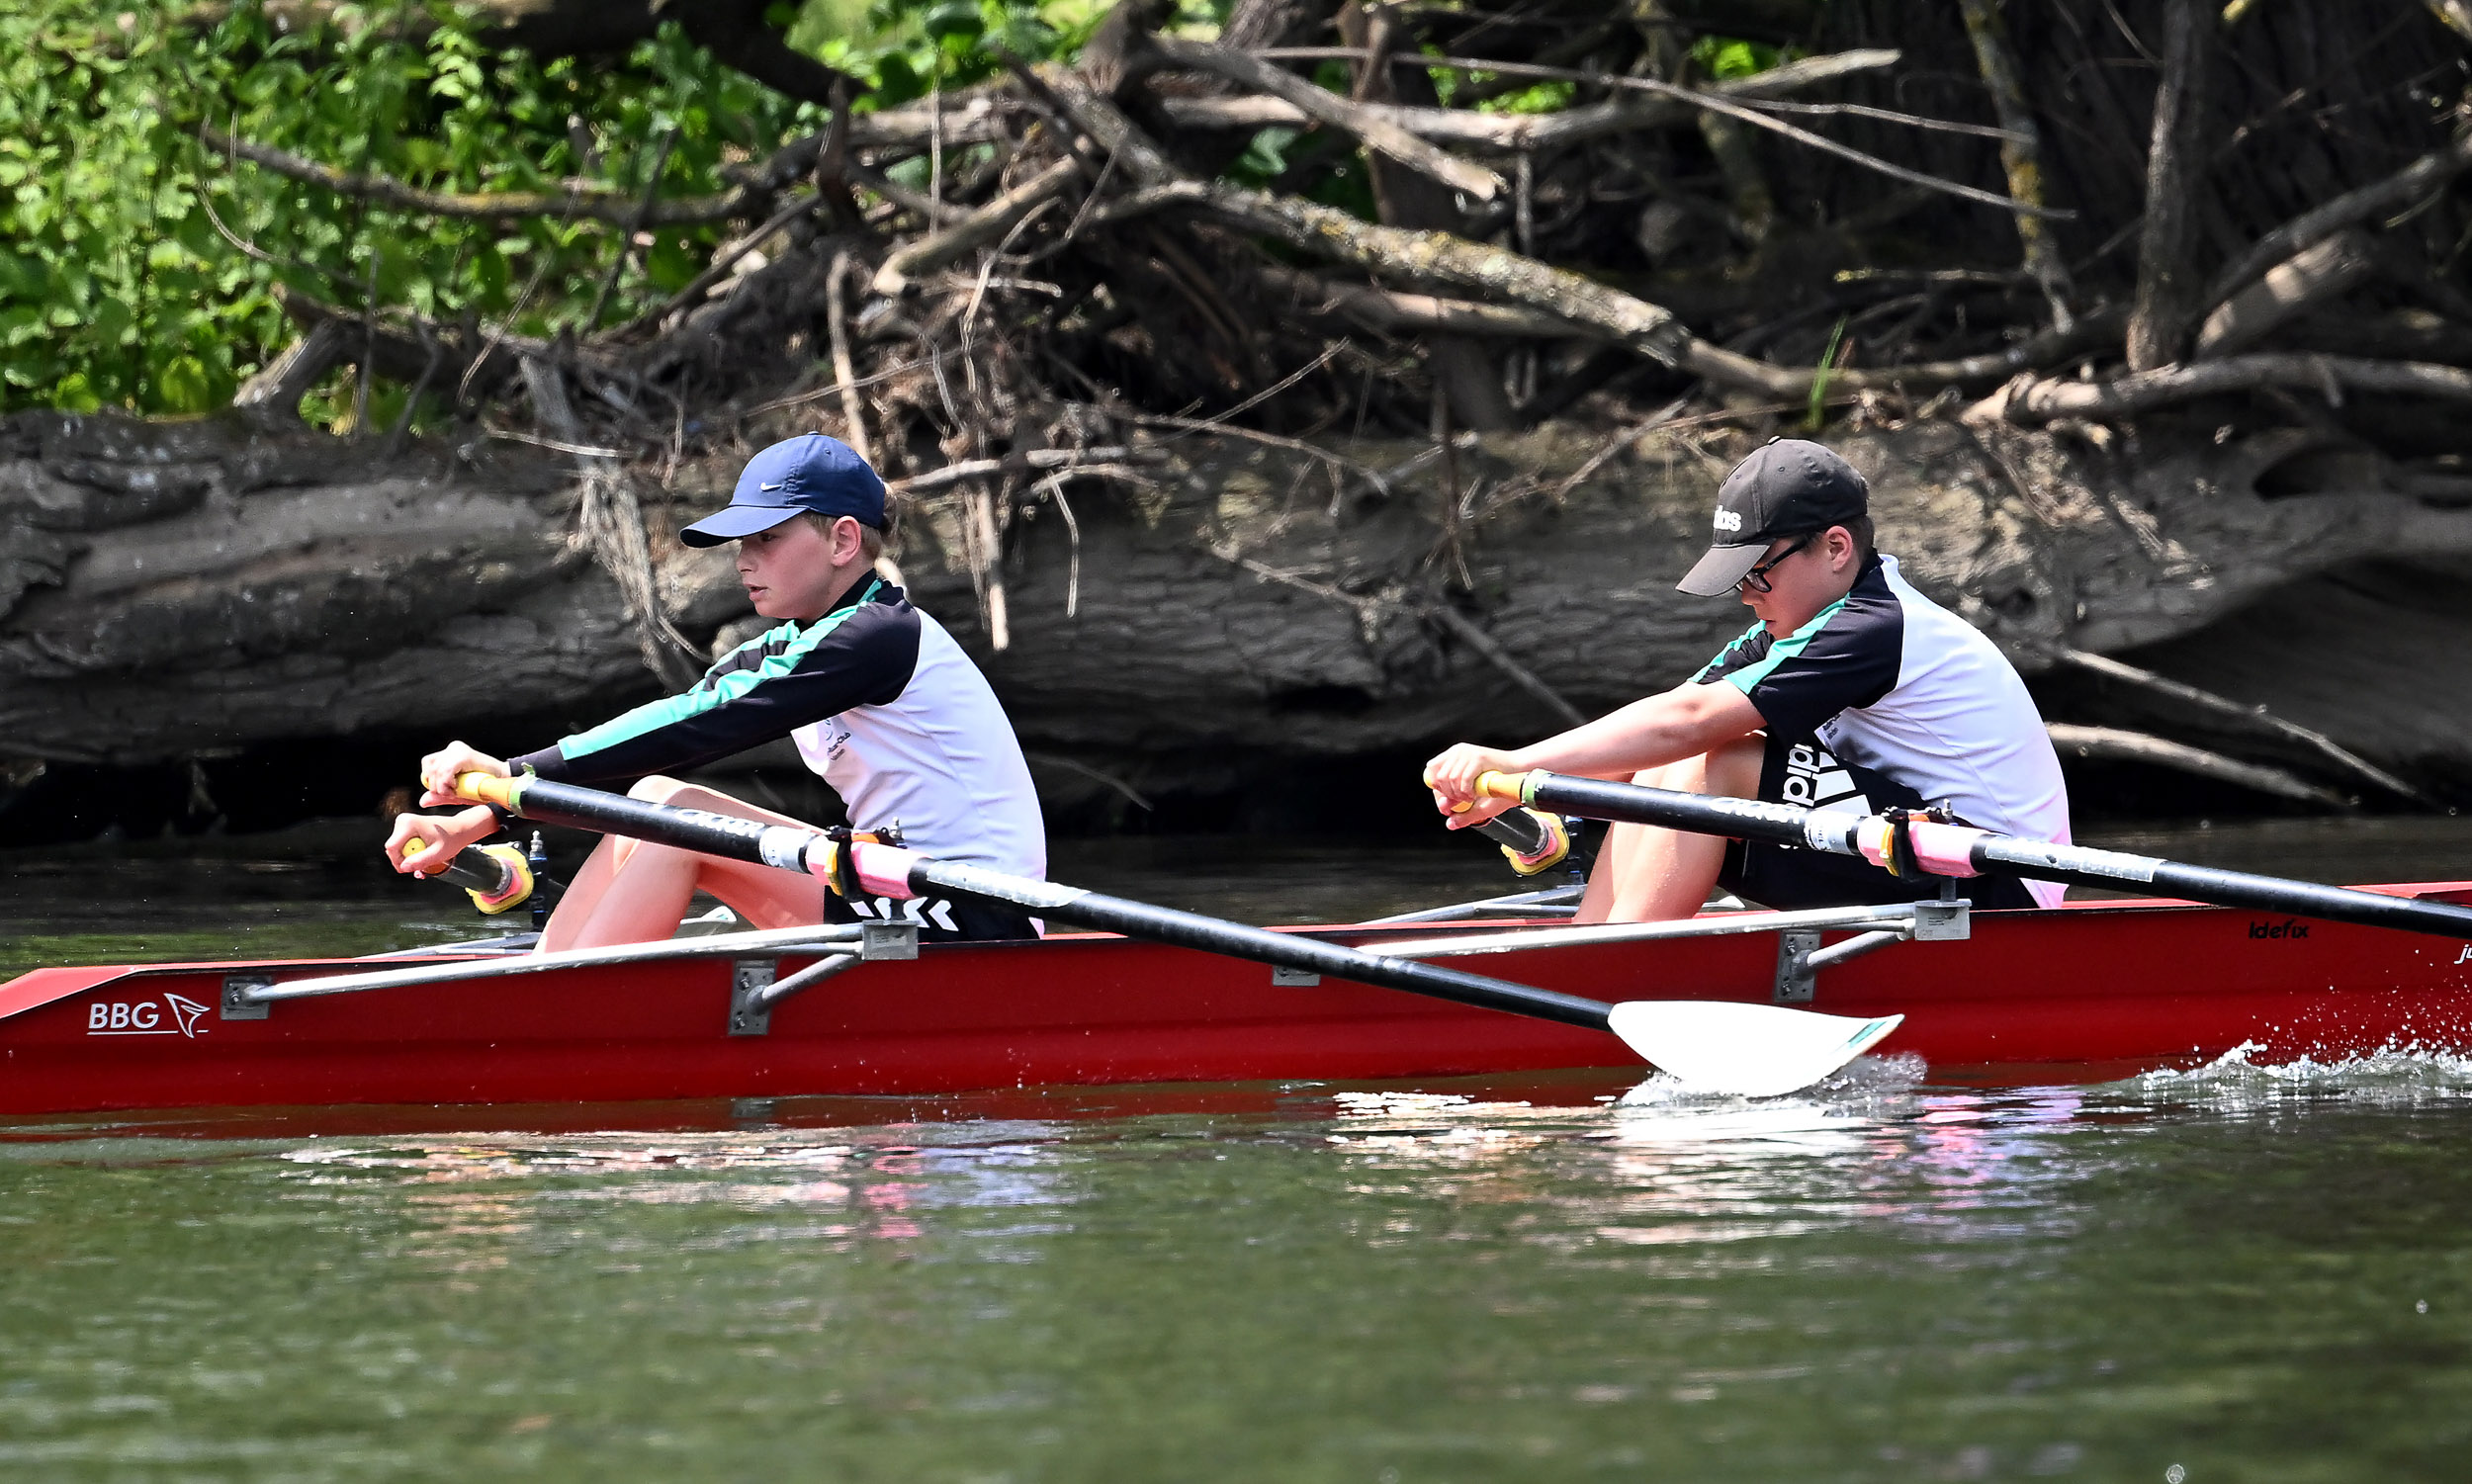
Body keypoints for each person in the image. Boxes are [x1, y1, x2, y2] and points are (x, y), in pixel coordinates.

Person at [385, 432, 1047, 949]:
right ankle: (547, 984)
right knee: (655, 798)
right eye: (740, 541)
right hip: (888, 887)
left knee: (679, 825)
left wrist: (511, 774)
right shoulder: (799, 641)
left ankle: (564, 1019)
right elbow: (668, 726)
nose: (742, 559)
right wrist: (482, 813)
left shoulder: (876, 638)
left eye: (767, 537)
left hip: (975, 915)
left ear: (844, 540)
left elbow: (703, 722)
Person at [1425, 437, 2070, 923]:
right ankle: (1580, 951)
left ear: (1836, 548)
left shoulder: (1874, 626)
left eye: (1758, 572)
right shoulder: (1800, 627)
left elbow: (1694, 727)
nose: (1744, 594)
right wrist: (1534, 793)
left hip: (2000, 885)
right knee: (1674, 761)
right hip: (1906, 848)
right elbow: (1670, 717)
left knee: (1717, 756)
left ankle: (1602, 973)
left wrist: (1513, 762)